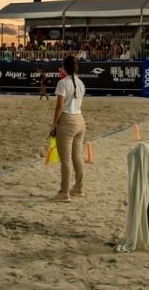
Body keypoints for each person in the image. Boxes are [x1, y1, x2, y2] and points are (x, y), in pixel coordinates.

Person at [48, 55, 86, 202]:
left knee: (66, 159)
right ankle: (79, 186)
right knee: (77, 156)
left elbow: (59, 106)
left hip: (68, 120)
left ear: (64, 67)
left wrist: (54, 125)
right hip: (80, 120)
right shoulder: (81, 83)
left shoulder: (63, 83)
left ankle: (64, 192)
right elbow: (80, 104)